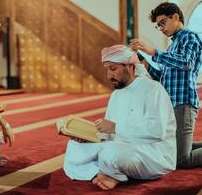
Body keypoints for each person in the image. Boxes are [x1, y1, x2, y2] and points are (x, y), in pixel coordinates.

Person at [63, 45, 176, 190]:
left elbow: (157, 132)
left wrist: (115, 128)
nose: (109, 76)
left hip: (152, 154)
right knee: (74, 147)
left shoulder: (153, 89)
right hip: (120, 145)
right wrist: (88, 136)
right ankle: (101, 174)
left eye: (113, 69)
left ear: (129, 66)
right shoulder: (116, 95)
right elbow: (108, 133)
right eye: (107, 70)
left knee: (110, 154)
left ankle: (108, 173)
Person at [130, 2, 202, 168]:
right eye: (158, 26)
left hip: (183, 103)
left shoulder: (189, 37)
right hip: (172, 104)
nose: (161, 28)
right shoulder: (172, 45)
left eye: (162, 23)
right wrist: (141, 61)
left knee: (180, 160)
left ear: (175, 17)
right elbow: (163, 78)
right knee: (175, 150)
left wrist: (153, 52)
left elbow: (186, 63)